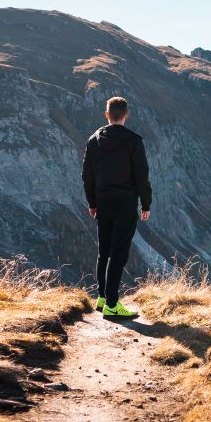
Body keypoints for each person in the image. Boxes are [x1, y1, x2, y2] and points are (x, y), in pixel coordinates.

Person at [80, 96, 152, 317]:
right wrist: (146, 204)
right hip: (125, 202)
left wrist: (92, 202)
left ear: (107, 114)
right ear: (126, 115)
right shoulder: (133, 141)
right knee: (119, 253)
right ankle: (112, 305)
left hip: (103, 202)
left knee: (104, 251)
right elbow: (142, 176)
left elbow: (87, 175)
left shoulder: (94, 140)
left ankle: (102, 298)